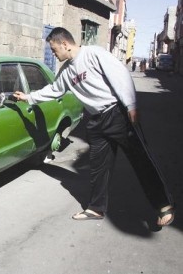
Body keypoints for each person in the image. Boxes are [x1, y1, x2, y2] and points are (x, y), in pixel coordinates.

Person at [14, 27, 174, 226]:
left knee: (140, 159)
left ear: (65, 44)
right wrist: (28, 97)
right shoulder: (66, 72)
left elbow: (120, 75)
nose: (54, 54)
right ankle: (96, 208)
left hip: (117, 114)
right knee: (99, 168)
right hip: (96, 121)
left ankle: (163, 205)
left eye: (54, 50)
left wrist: (131, 104)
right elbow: (54, 91)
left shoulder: (93, 54)